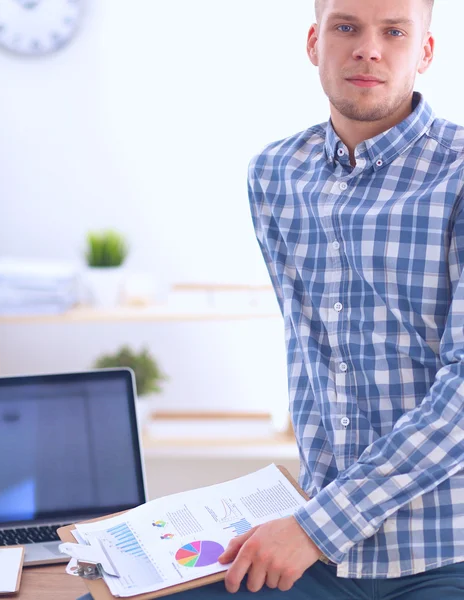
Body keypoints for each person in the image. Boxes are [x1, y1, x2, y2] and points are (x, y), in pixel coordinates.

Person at [78, 0, 464, 597]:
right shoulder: (275, 172)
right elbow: (312, 343)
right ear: (314, 43)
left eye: (394, 31)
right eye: (346, 27)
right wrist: (296, 521)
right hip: (306, 540)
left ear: (426, 51)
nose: (368, 48)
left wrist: (315, 528)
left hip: (440, 549)